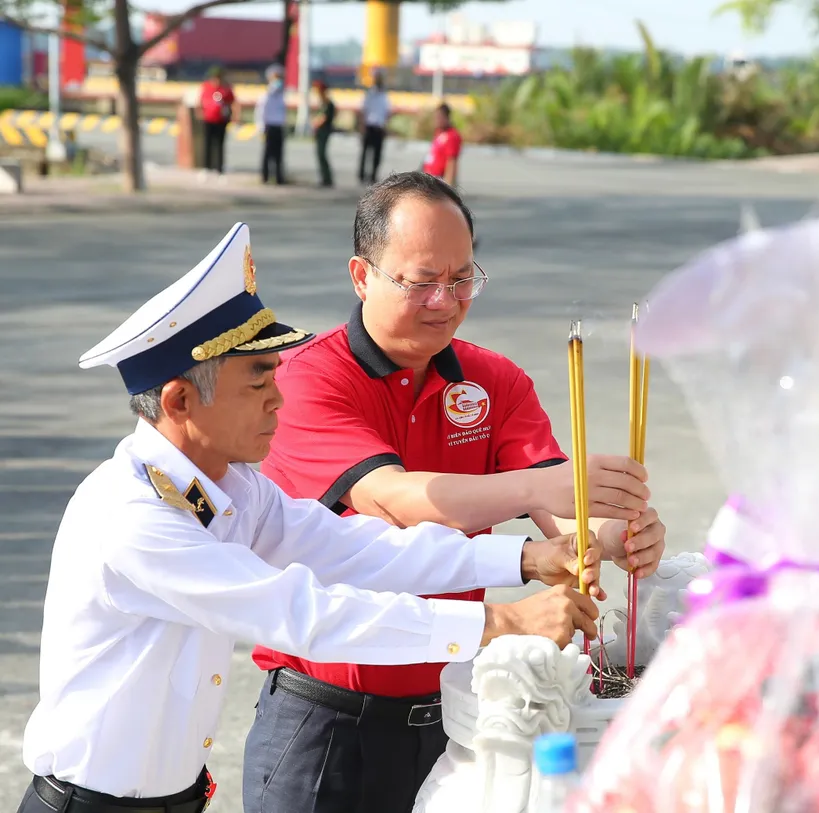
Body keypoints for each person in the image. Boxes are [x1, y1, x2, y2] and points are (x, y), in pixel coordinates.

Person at [14, 222, 605, 813]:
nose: (278, 398)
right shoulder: (134, 514)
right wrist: (497, 621)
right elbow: (303, 612)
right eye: (257, 381)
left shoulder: (231, 486)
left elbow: (355, 548)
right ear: (180, 401)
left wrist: (523, 558)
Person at [243, 172, 666, 813]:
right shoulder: (307, 378)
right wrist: (540, 487)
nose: (446, 299)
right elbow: (395, 501)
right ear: (362, 275)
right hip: (326, 721)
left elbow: (559, 514)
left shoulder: (494, 379)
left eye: (463, 278)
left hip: (456, 711)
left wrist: (610, 536)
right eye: (421, 281)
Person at [199, 66, 238, 175]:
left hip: (221, 119)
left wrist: (235, 116)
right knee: (208, 144)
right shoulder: (206, 87)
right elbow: (200, 100)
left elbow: (233, 103)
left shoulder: (226, 88)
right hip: (208, 119)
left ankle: (220, 169)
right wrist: (200, 113)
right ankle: (206, 168)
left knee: (220, 144)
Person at [255, 64, 286, 185]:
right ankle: (265, 176)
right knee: (268, 153)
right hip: (269, 126)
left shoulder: (281, 95)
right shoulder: (266, 95)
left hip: (279, 126)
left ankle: (279, 177)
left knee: (279, 154)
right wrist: (261, 127)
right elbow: (261, 112)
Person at [358, 72, 390, 185]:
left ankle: (373, 175)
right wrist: (362, 126)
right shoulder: (370, 94)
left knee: (377, 154)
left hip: (379, 127)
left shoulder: (384, 96)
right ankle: (362, 175)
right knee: (365, 153)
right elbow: (363, 110)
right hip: (369, 126)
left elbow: (387, 113)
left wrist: (386, 127)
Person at [423, 102, 462, 187]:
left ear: (446, 117)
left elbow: (452, 161)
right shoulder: (439, 132)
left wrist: (448, 184)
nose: (436, 120)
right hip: (430, 177)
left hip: (440, 180)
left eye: (439, 117)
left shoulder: (452, 136)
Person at [313, 79, 337, 188]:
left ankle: (327, 178)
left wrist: (315, 123)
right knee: (320, 155)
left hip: (324, 131)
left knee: (322, 154)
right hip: (320, 132)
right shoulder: (323, 102)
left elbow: (324, 118)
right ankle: (324, 177)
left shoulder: (327, 103)